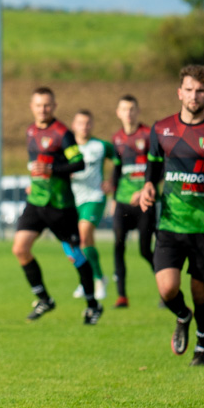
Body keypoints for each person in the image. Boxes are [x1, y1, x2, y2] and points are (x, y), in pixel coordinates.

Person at [140, 65, 204, 366]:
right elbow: (154, 165)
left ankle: (203, 348)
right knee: (168, 288)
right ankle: (182, 316)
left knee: (201, 294)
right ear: (179, 92)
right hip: (170, 223)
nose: (194, 96)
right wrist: (148, 185)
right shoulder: (161, 128)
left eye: (200, 91)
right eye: (189, 89)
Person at [11, 87, 103, 325]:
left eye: (48, 105)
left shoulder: (63, 134)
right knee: (20, 248)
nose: (43, 109)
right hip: (36, 202)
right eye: (39, 105)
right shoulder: (30, 131)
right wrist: (35, 182)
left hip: (60, 206)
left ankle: (93, 305)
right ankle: (44, 299)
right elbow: (36, 164)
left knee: (75, 255)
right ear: (32, 106)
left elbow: (79, 164)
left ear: (54, 106)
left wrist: (52, 171)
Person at [110, 95, 155, 308]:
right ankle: (121, 296)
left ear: (137, 111)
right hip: (123, 202)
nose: (128, 113)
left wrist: (146, 189)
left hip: (145, 202)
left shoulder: (148, 135)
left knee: (145, 250)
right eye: (124, 109)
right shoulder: (117, 138)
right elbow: (117, 169)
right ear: (118, 113)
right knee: (118, 245)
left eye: (132, 109)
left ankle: (167, 289)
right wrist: (112, 197)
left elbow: (158, 168)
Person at [69, 110, 116, 301]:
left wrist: (113, 181)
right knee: (81, 243)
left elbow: (120, 160)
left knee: (84, 234)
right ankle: (89, 278)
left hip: (94, 197)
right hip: (73, 199)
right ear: (74, 125)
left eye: (88, 123)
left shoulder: (101, 146)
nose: (84, 127)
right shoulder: (68, 146)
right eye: (80, 123)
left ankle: (97, 279)